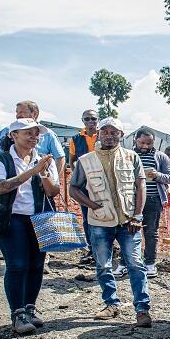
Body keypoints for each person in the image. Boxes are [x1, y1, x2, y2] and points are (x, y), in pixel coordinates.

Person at [69, 117, 152, 328]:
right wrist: (92, 205)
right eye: (104, 131)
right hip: (98, 222)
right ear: (99, 134)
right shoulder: (86, 160)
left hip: (128, 221)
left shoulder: (131, 157)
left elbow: (140, 187)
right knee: (104, 265)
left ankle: (142, 309)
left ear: (121, 135)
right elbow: (73, 189)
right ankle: (111, 304)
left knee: (135, 264)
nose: (109, 135)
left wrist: (137, 216)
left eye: (113, 132)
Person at [0, 119, 60, 335]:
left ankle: (30, 308)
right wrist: (32, 171)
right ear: (14, 135)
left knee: (36, 264)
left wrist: (44, 173)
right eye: (28, 133)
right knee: (17, 265)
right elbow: (0, 187)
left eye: (36, 133)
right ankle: (17, 313)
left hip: (38, 217)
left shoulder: (44, 160)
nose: (34, 137)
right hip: (11, 217)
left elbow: (52, 191)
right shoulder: (0, 159)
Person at [133, 128, 170, 278]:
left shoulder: (161, 157)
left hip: (153, 199)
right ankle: (129, 262)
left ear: (153, 142)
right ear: (135, 140)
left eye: (148, 143)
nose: (145, 146)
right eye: (142, 142)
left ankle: (149, 263)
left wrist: (157, 175)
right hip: (131, 200)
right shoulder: (129, 155)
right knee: (128, 231)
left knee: (150, 232)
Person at [0, 100, 66, 181]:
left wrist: (53, 181)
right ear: (13, 135)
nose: (18, 115)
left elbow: (60, 157)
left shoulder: (48, 134)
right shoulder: (6, 131)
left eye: (22, 112)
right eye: (17, 112)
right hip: (9, 181)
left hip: (37, 183)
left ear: (35, 114)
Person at [68, 109, 101, 264]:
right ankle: (92, 250)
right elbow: (72, 160)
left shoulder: (105, 136)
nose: (90, 122)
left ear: (97, 120)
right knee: (87, 216)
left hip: (103, 184)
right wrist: (78, 177)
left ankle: (104, 248)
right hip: (84, 185)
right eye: (87, 119)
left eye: (93, 119)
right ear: (83, 121)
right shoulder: (75, 139)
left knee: (105, 214)